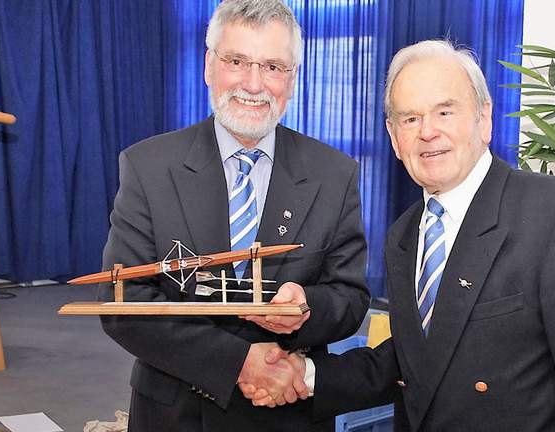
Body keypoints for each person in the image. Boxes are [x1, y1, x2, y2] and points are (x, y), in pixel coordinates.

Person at [243, 40, 555, 431]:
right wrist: (307, 374)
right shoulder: (402, 236)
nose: (427, 132)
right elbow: (419, 360)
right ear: (394, 137)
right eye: (410, 118)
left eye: (445, 112)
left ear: (484, 118)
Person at [98, 0, 369, 431]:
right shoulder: (148, 166)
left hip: (288, 411)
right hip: (176, 412)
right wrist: (237, 362)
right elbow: (123, 303)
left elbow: (351, 299)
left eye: (273, 66)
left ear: (293, 79)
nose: (254, 83)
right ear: (209, 66)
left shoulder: (334, 173)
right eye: (237, 60)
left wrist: (306, 307)